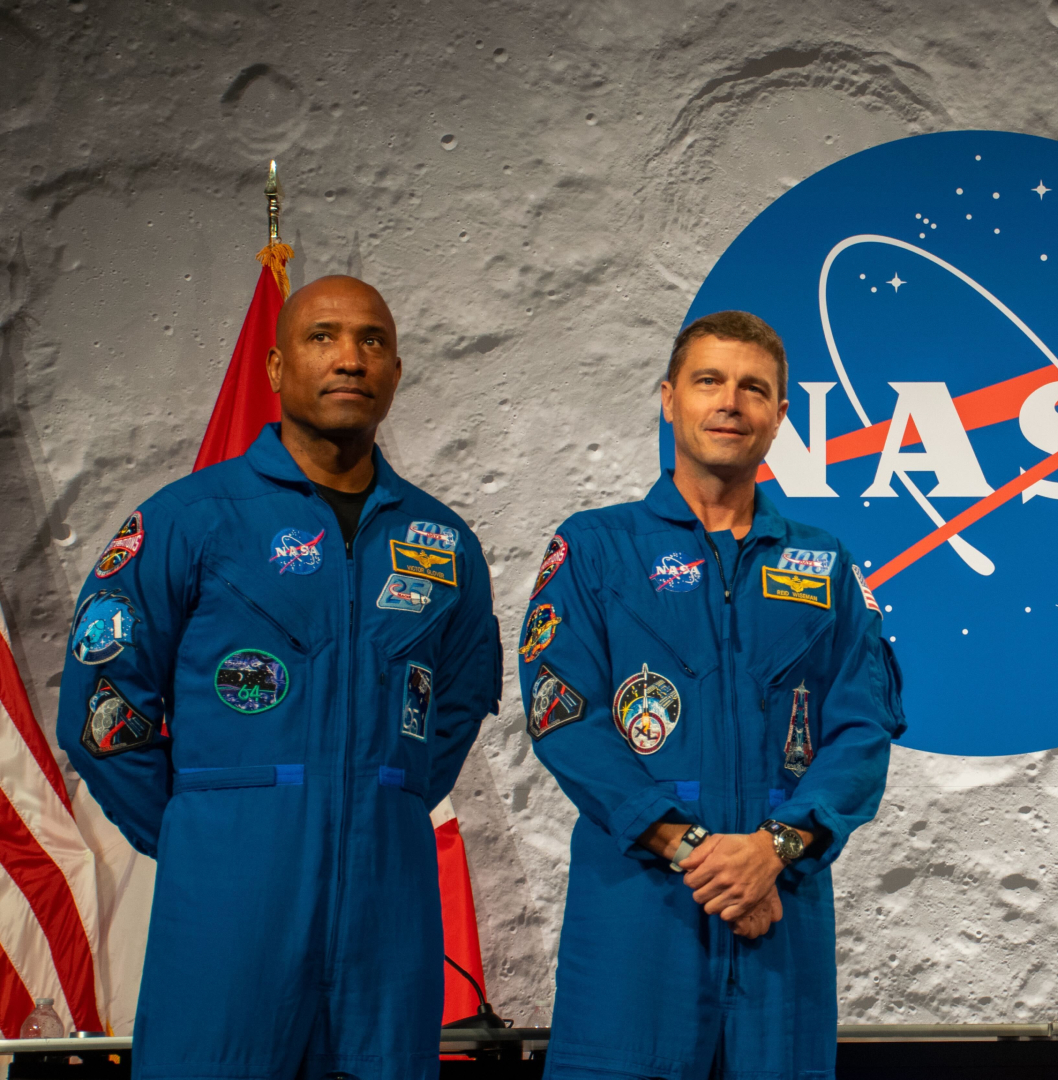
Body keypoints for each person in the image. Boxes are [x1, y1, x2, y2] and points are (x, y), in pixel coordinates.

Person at [58, 276, 501, 1078]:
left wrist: (383, 797)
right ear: (275, 366)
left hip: (386, 911)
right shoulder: (189, 519)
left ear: (397, 373)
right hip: (230, 909)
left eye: (372, 342)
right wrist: (206, 828)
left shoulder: (445, 544)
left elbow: (462, 699)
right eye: (322, 337)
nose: (350, 359)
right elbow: (102, 703)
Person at [522, 310, 904, 1079]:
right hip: (638, 912)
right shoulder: (595, 549)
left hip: (780, 910)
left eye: (754, 388)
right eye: (709, 381)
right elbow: (564, 717)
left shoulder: (823, 565)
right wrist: (695, 850)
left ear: (779, 416)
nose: (731, 401)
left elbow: (863, 730)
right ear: (669, 399)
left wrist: (775, 849)